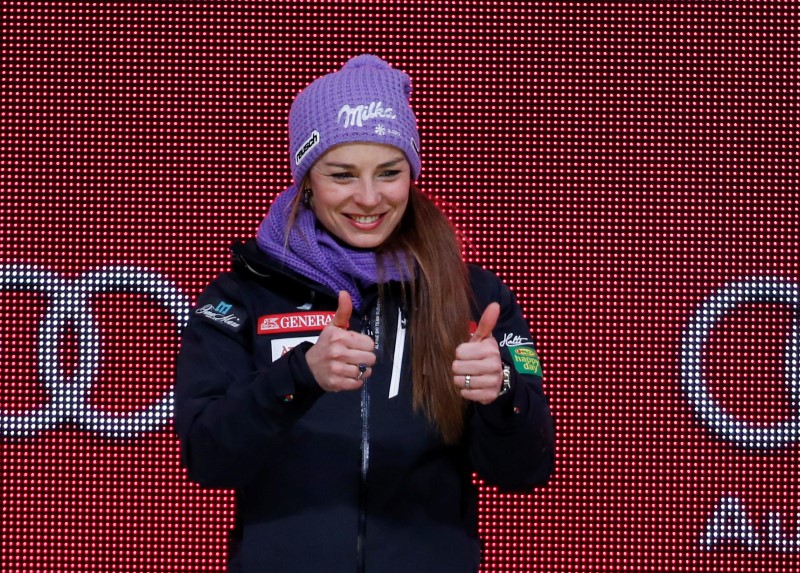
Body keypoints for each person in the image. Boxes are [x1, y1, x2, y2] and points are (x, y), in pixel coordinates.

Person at [175, 54, 555, 573]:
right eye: (343, 175)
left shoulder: (473, 297)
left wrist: (504, 393)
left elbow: (526, 470)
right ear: (307, 179)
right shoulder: (242, 297)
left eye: (389, 173)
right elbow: (208, 457)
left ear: (411, 174)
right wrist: (299, 377)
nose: (370, 198)